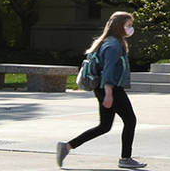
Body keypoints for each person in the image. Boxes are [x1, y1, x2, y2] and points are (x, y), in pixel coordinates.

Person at [56, 12, 144, 169]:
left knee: (104, 126)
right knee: (130, 120)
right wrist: (109, 93)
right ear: (119, 26)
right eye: (128, 25)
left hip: (103, 88)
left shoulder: (108, 41)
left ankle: (67, 146)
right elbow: (108, 70)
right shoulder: (113, 45)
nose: (131, 28)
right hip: (111, 89)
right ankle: (125, 158)